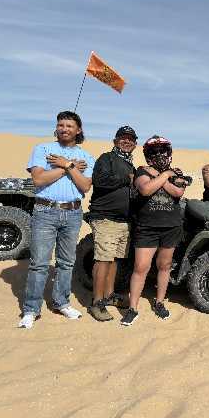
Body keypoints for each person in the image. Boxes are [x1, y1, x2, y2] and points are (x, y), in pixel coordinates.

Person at [18, 111, 95, 329]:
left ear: (78, 130)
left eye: (69, 125)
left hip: (73, 213)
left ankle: (62, 302)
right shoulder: (42, 149)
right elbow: (38, 178)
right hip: (45, 211)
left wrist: (67, 165)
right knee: (39, 263)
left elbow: (85, 185)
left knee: (66, 262)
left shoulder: (87, 157)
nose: (64, 129)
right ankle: (31, 309)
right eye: (61, 125)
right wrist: (67, 167)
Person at [121, 135, 188, 326]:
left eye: (162, 151)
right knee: (141, 267)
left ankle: (159, 302)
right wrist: (166, 176)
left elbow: (178, 192)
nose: (159, 154)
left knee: (164, 266)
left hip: (171, 226)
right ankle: (132, 308)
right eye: (154, 151)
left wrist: (161, 176)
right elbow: (145, 189)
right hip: (147, 227)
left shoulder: (175, 172)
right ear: (148, 154)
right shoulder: (142, 171)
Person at [85, 125, 138, 321]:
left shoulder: (130, 165)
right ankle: (97, 302)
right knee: (103, 260)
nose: (126, 141)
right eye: (123, 138)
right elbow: (100, 180)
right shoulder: (106, 158)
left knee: (115, 260)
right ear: (115, 141)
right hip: (105, 218)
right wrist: (126, 179)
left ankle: (108, 295)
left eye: (130, 139)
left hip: (124, 221)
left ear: (135, 144)